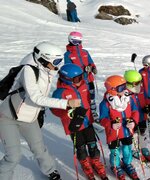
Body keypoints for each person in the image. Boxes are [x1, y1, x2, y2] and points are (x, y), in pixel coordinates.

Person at [0, 42, 81, 180]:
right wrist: (66, 103)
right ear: (43, 59)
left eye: (59, 61)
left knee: (40, 149)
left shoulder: (47, 70)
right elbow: (36, 97)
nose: (58, 65)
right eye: (56, 61)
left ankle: (51, 171)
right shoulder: (28, 70)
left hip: (29, 118)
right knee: (13, 156)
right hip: (8, 118)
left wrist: (40, 112)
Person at [51, 64, 108, 180]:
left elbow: (89, 97)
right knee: (81, 147)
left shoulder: (83, 85)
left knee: (92, 143)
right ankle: (85, 164)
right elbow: (54, 110)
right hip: (74, 125)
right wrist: (66, 109)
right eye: (77, 79)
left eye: (81, 77)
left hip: (88, 122)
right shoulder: (60, 93)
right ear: (66, 79)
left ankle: (95, 161)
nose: (80, 80)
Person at [99, 75, 139, 180]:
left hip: (126, 130)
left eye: (124, 86)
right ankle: (115, 166)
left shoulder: (128, 99)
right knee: (115, 150)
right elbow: (102, 119)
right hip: (114, 132)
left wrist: (133, 121)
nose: (124, 90)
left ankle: (127, 163)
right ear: (112, 90)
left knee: (127, 148)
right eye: (121, 88)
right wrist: (110, 124)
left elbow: (135, 111)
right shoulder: (106, 104)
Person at [64, 31, 99, 122]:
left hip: (89, 79)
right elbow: (69, 68)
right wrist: (83, 70)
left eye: (79, 42)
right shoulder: (68, 55)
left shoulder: (85, 52)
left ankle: (93, 114)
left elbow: (91, 62)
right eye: (75, 42)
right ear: (70, 40)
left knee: (91, 97)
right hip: (78, 81)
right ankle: (82, 114)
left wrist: (93, 68)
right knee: (82, 98)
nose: (77, 44)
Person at [124, 70, 150, 162]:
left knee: (143, 131)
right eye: (136, 83)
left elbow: (147, 99)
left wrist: (149, 105)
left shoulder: (141, 89)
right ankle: (134, 149)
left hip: (142, 115)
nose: (139, 85)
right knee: (134, 133)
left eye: (140, 82)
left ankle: (143, 147)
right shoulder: (125, 93)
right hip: (132, 118)